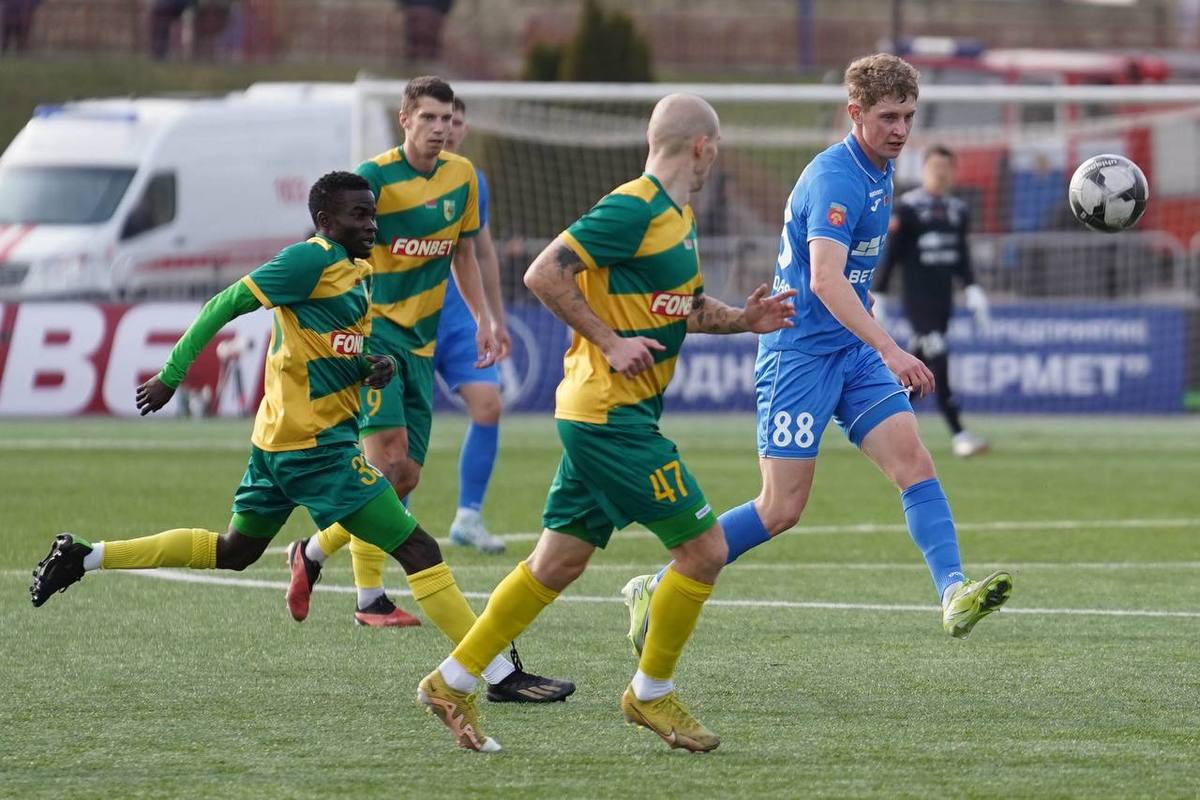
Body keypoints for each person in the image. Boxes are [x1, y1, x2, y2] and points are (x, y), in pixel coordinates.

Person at [29, 171, 570, 704]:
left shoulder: (357, 270)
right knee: (418, 548)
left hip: (280, 445)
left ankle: (85, 556)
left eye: (373, 214)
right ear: (325, 220)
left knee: (234, 551)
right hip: (316, 449)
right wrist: (172, 376)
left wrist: (368, 364)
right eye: (359, 215)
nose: (371, 224)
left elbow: (327, 346)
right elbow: (222, 304)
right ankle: (495, 671)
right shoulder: (308, 260)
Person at [414, 93, 798, 753]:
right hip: (609, 417)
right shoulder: (633, 207)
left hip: (607, 414)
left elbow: (681, 307)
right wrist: (610, 341)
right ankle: (650, 693)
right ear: (702, 147)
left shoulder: (677, 217)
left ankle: (451, 680)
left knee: (557, 562)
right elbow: (543, 272)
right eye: (717, 147)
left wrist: (742, 319)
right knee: (704, 551)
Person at [622, 54, 1012, 660]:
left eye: (909, 116)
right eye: (888, 117)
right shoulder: (836, 178)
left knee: (915, 463)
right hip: (799, 354)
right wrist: (891, 347)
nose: (901, 130)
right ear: (855, 114)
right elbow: (826, 280)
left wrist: (868, 326)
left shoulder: (882, 170)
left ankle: (953, 592)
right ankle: (656, 584)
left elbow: (845, 279)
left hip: (850, 350)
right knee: (781, 508)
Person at [873, 144, 989, 458]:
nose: (940, 173)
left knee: (917, 370)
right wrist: (879, 293)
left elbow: (961, 255)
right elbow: (892, 255)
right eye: (935, 167)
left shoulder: (958, 210)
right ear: (923, 171)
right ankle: (959, 433)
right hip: (917, 300)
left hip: (942, 302)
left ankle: (883, 426)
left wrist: (972, 288)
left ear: (954, 173)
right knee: (939, 361)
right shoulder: (908, 208)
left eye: (946, 168)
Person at [434, 96, 508, 554]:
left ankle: (468, 516)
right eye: (439, 119)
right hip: (408, 318)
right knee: (400, 436)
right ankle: (390, 522)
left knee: (489, 405)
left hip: (461, 316)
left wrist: (494, 317)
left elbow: (481, 251)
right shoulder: (393, 178)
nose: (448, 128)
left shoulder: (472, 180)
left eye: (455, 121)